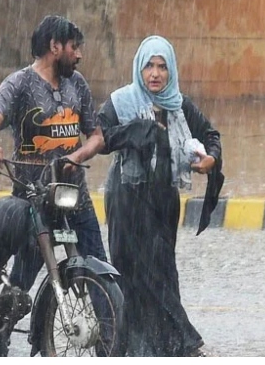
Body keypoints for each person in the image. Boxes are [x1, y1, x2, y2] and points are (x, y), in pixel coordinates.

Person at [96, 35, 224, 357]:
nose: (155, 74)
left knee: (163, 269)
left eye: (162, 67)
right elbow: (100, 136)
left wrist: (210, 158)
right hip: (127, 196)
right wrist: (141, 130)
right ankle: (178, 342)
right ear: (139, 68)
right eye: (149, 66)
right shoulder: (121, 102)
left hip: (164, 201)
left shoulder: (180, 106)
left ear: (171, 71)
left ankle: (162, 346)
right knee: (136, 270)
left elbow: (211, 136)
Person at [0, 15, 108, 295]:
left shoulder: (78, 84)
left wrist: (78, 156)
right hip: (34, 201)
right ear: (55, 47)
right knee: (20, 284)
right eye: (75, 47)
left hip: (76, 199)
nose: (79, 55)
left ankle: (110, 336)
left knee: (101, 277)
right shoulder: (19, 84)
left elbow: (96, 137)